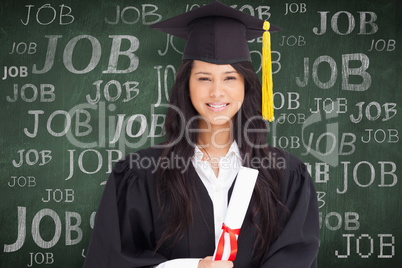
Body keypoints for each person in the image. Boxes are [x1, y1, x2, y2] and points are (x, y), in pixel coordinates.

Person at [83, 1, 319, 267]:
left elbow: (296, 257)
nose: (217, 92)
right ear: (187, 85)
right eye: (204, 78)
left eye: (230, 78)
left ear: (246, 85)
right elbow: (111, 259)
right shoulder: (141, 173)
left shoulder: (286, 174)